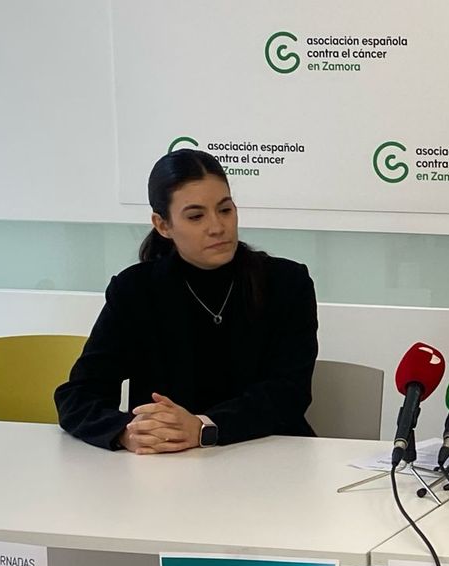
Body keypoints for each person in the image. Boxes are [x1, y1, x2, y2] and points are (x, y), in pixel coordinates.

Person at [55, 148, 319, 453]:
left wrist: (203, 427)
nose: (217, 227)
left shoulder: (286, 282)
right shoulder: (135, 290)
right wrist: (127, 432)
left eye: (225, 210)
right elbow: (78, 395)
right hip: (165, 469)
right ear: (163, 225)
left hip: (268, 458)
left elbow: (289, 393)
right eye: (196, 216)